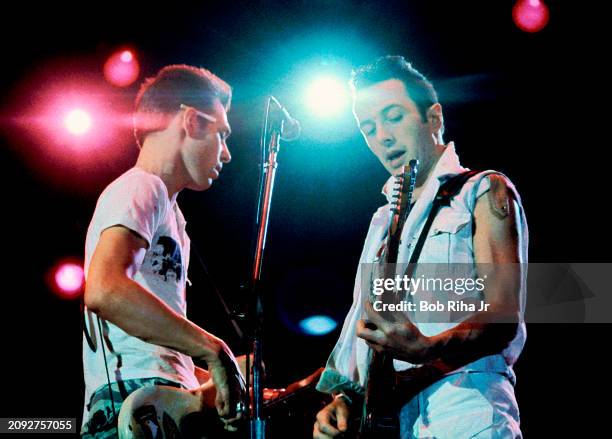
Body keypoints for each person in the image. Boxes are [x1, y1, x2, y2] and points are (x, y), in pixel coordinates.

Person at [313, 56, 528, 438]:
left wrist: (430, 346)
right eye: (368, 128)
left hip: (466, 417)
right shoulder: (381, 224)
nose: (382, 135)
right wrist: (344, 399)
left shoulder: (482, 190)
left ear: (434, 118)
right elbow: (363, 335)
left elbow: (504, 314)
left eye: (393, 116)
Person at [81, 64, 245, 437]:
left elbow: (148, 349)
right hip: (130, 401)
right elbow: (104, 290)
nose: (227, 153)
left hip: (152, 400)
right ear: (191, 121)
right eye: (222, 135)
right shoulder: (142, 187)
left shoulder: (173, 217)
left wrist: (212, 378)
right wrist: (213, 350)